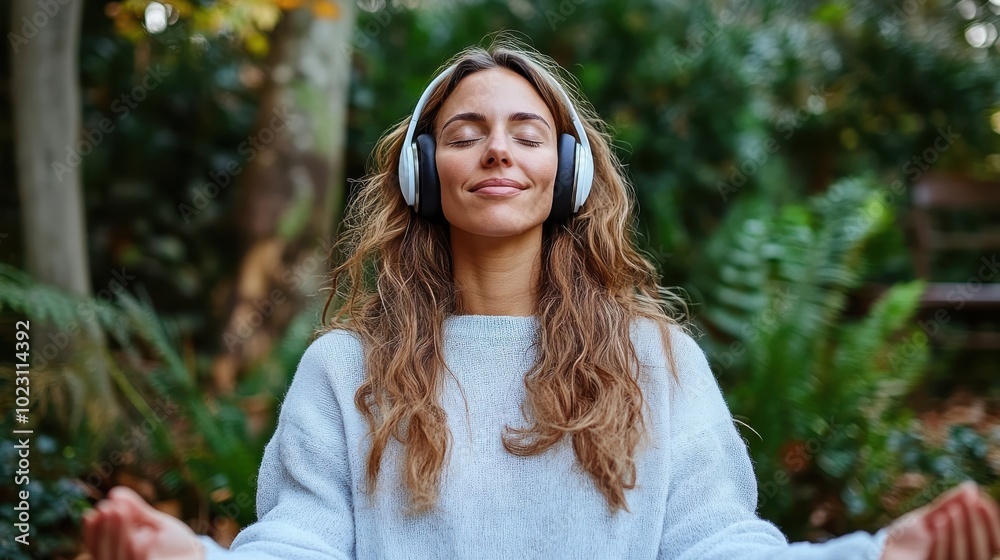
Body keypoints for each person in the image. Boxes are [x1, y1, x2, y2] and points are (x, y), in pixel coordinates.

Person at [83, 37, 1000, 560]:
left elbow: (719, 548)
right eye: (465, 132)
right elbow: (303, 546)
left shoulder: (658, 361)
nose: (496, 151)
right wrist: (187, 557)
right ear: (418, 171)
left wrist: (885, 555)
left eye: (527, 134)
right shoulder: (344, 370)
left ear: (563, 174)